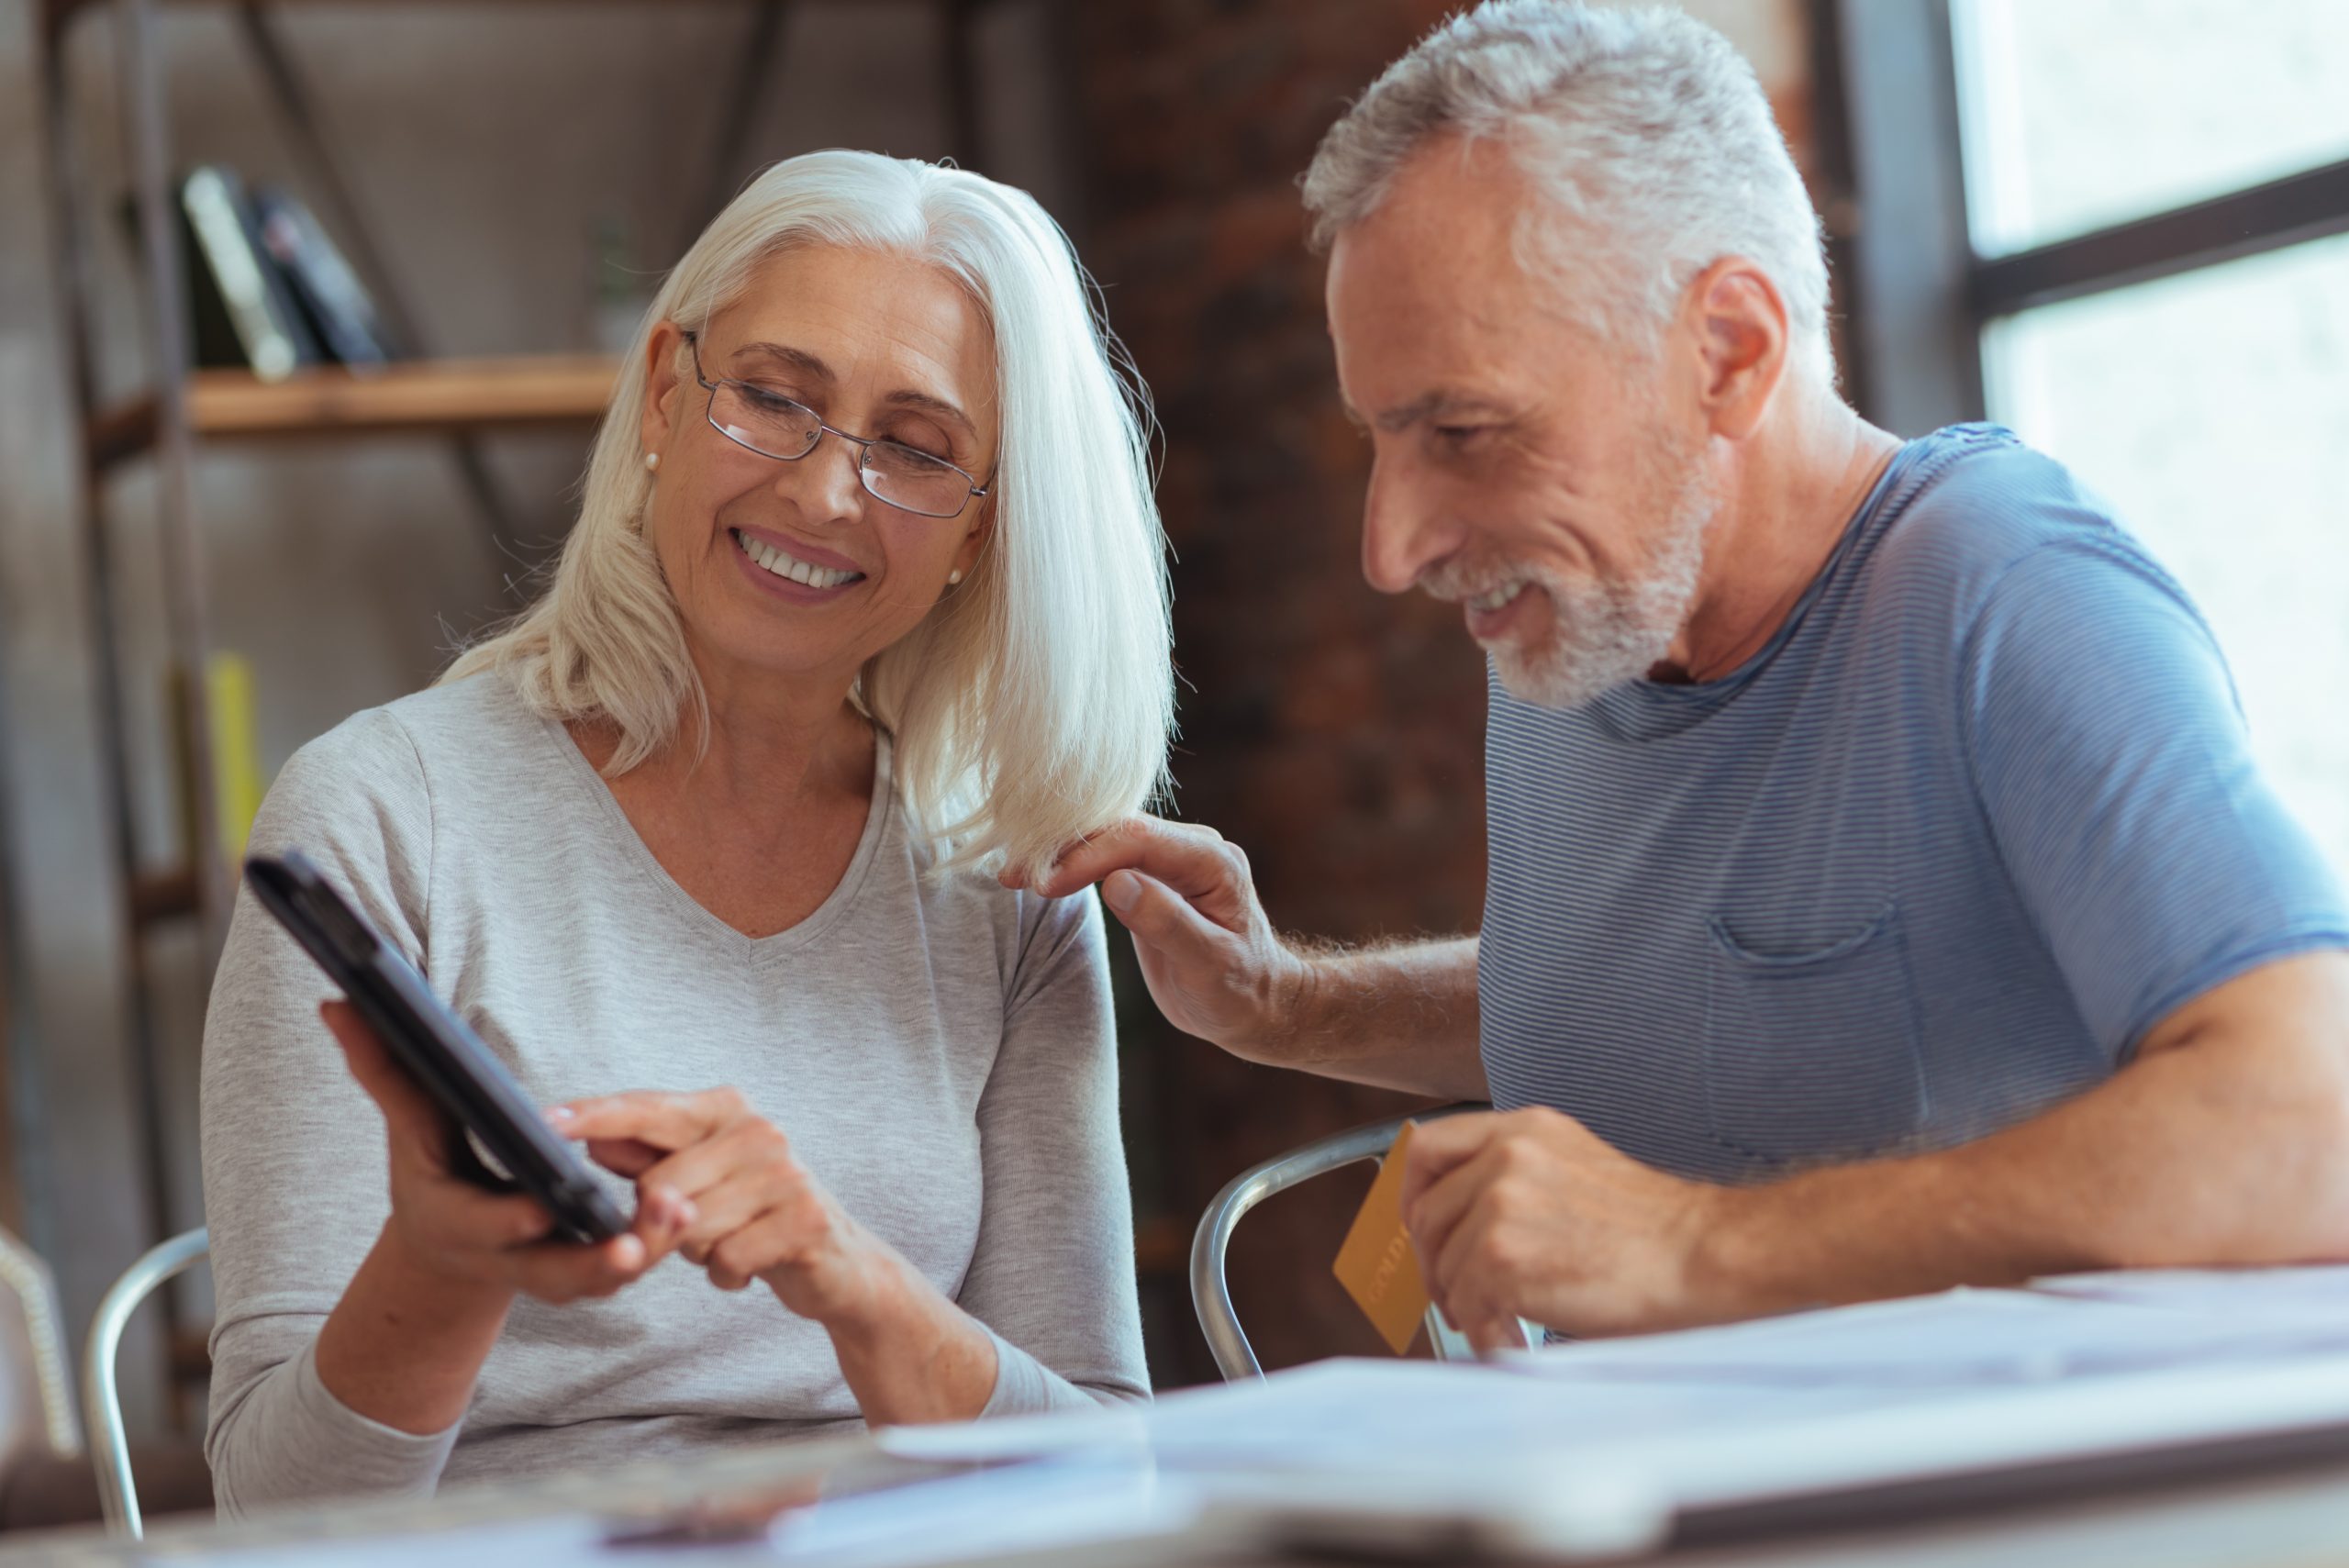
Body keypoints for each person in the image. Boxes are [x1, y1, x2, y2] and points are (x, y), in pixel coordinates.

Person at [1025, 1, 2349, 1351]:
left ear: (1729, 351)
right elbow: (1676, 991)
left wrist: (1691, 1241)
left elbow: (2313, 1118)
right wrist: (1287, 1002)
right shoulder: (1585, 613)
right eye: (1383, 434)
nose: (1392, 545)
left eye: (1466, 430)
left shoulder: (2002, 591)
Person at [200, 148, 1172, 1514]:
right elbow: (276, 1513)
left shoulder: (1008, 877)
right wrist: (445, 1262)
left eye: (915, 446)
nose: (827, 493)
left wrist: (851, 1278)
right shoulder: (384, 813)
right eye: (774, 398)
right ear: (666, 392)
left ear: (981, 528)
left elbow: (1108, 1473)